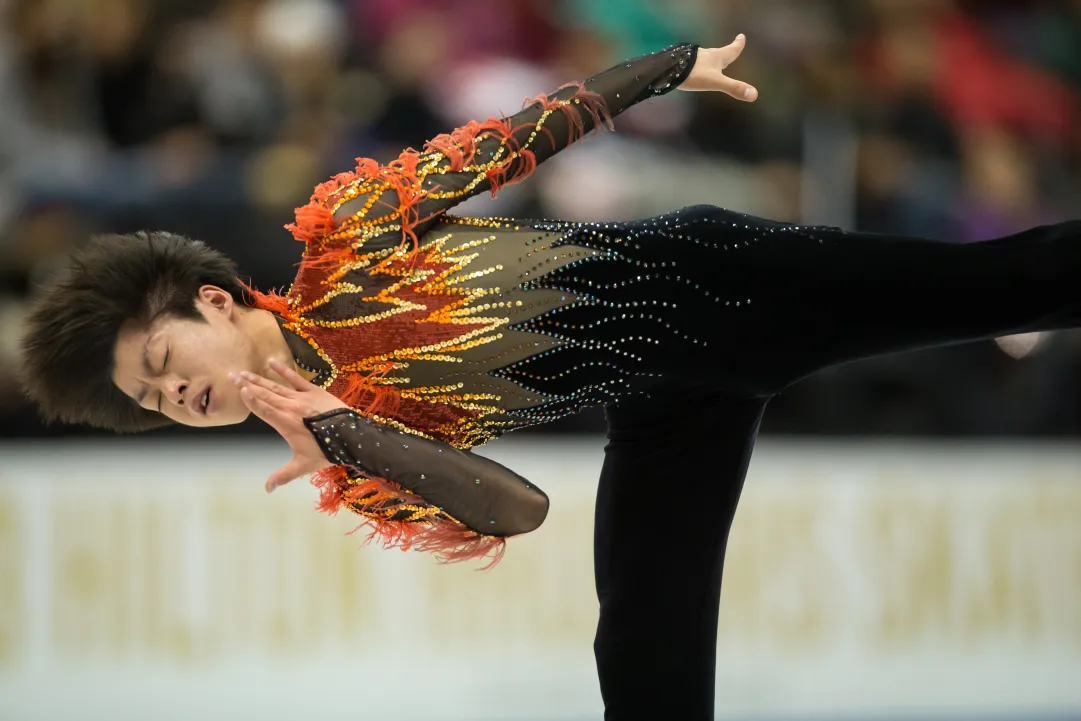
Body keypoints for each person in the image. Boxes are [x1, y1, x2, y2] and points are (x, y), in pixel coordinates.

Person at [15, 36, 1081, 720]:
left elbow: (505, 144)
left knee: (1014, 282)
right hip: (666, 410)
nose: (175, 397)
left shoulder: (343, 236)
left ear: (209, 301)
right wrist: (342, 429)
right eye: (152, 403)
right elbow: (518, 510)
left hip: (723, 279)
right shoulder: (343, 454)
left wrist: (666, 65)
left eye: (160, 364)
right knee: (642, 665)